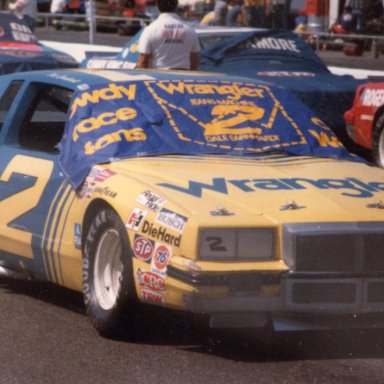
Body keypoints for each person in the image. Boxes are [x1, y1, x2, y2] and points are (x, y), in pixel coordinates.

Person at [137, 0, 200, 70]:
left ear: (157, 7)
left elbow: (143, 61)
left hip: (158, 77)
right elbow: (194, 59)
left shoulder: (150, 30)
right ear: (176, 6)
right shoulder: (189, 30)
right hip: (183, 78)